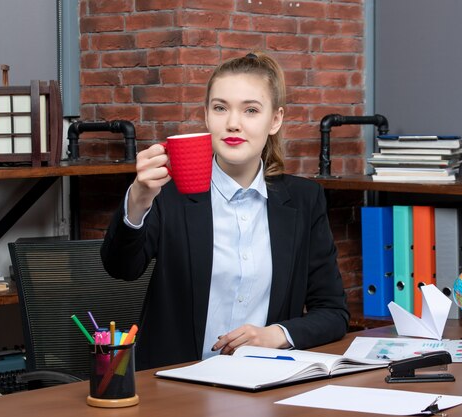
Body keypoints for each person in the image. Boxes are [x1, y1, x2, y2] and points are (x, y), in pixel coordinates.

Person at [101, 51, 349, 370]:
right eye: (220, 108)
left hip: (263, 379)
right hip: (174, 385)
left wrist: (277, 334)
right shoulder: (167, 194)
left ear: (275, 120)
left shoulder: (304, 199)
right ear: (206, 116)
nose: (233, 123)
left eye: (251, 110)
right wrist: (138, 199)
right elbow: (121, 267)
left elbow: (333, 312)